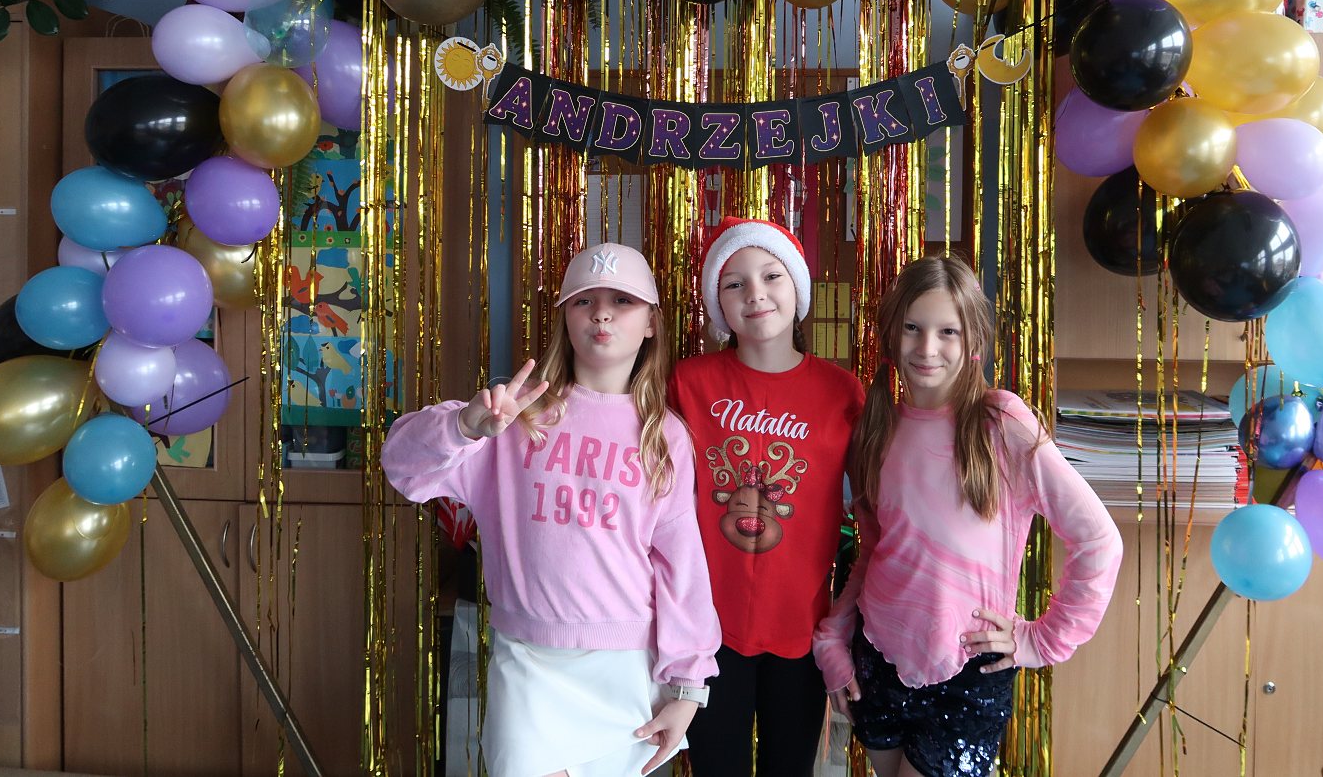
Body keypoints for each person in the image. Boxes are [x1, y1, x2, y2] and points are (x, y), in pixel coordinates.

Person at [382, 242, 721, 777]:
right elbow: (402, 466)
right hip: (528, 661)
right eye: (585, 300)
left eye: (622, 301)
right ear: (565, 316)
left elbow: (681, 564)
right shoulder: (513, 416)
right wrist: (464, 426)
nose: (602, 314)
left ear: (651, 323)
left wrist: (688, 686)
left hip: (624, 665)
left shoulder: (665, 435)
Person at [813, 255, 1122, 777]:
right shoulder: (876, 426)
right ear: (892, 332)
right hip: (878, 660)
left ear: (972, 338)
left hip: (969, 672)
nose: (926, 348)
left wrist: (1044, 638)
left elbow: (1098, 540)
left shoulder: (1001, 422)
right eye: (913, 328)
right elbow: (873, 553)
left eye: (947, 332)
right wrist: (832, 638)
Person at [668, 216, 866, 776]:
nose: (755, 294)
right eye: (735, 283)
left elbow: (880, 510)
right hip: (706, 632)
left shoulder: (842, 393)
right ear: (718, 304)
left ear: (797, 287)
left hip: (802, 630)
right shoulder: (686, 382)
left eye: (771, 276)